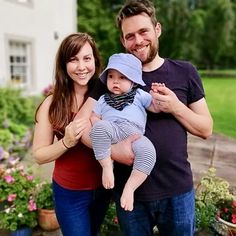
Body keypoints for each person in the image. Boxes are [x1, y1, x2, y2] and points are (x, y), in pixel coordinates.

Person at [85, 0, 213, 235]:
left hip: (177, 191)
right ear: (123, 41)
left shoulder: (185, 72)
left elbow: (206, 129)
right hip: (130, 193)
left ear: (157, 29)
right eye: (130, 36)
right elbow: (84, 125)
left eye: (143, 31)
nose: (138, 41)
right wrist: (114, 152)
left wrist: (176, 106)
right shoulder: (110, 78)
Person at [32, 33, 111, 236]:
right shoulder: (52, 103)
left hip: (103, 188)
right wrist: (66, 143)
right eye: (73, 60)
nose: (81, 66)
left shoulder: (108, 95)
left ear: (95, 60)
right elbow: (39, 155)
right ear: (64, 65)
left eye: (87, 58)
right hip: (70, 193)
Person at [90, 53, 161, 211]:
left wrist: (157, 95)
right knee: (99, 128)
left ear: (133, 81)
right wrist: (97, 123)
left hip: (135, 135)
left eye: (122, 77)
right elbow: (94, 116)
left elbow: (155, 107)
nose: (115, 81)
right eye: (111, 76)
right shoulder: (103, 99)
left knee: (148, 152)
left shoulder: (139, 95)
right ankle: (107, 166)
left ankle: (130, 188)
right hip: (113, 130)